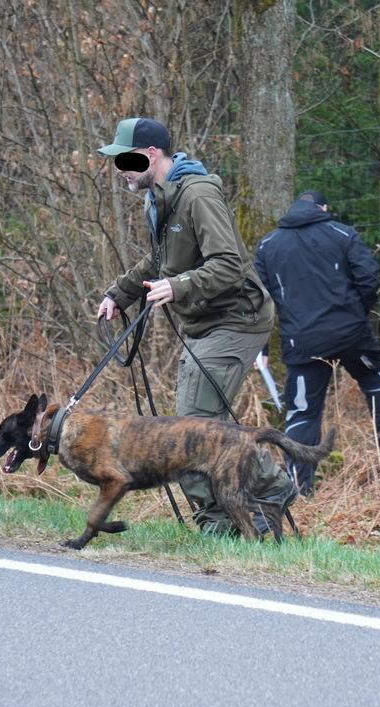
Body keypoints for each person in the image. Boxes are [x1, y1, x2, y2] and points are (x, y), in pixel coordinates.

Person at [95, 116, 296, 535]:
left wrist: (179, 285)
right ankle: (228, 518)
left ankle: (259, 497)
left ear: (151, 154)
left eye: (125, 160)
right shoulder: (160, 199)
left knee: (192, 428)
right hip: (205, 323)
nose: (120, 171)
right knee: (198, 426)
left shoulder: (198, 194)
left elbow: (229, 264)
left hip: (237, 319)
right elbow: (159, 262)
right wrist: (119, 294)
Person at [254, 190, 380, 496]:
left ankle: (298, 486)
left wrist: (261, 349)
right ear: (323, 207)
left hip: (302, 343)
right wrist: (354, 314)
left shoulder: (268, 245)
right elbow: (369, 278)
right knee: (377, 382)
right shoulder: (342, 233)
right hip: (351, 335)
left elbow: (258, 300)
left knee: (302, 411)